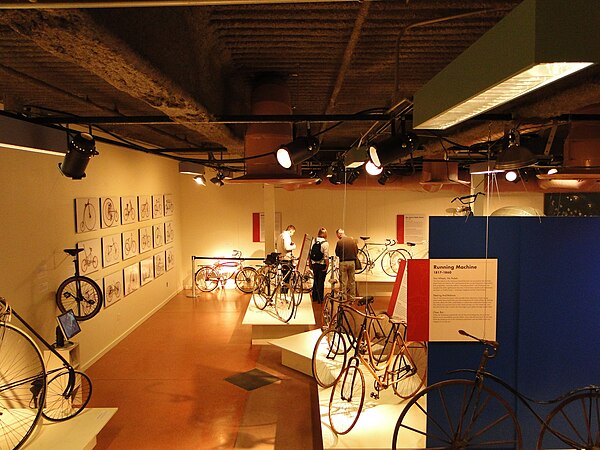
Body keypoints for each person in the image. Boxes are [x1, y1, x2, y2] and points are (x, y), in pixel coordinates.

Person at [335, 228, 358, 298]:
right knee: (352, 281)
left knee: (343, 281)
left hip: (343, 262)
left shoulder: (339, 242)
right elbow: (356, 251)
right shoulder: (352, 240)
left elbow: (337, 253)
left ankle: (343, 297)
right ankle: (352, 297)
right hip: (352, 262)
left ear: (339, 234)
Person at [309, 227, 329, 304]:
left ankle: (314, 297)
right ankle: (320, 299)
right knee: (321, 281)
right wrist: (327, 265)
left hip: (314, 264)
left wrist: (310, 263)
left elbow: (310, 253)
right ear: (325, 235)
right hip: (321, 264)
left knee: (315, 281)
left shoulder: (313, 241)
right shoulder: (325, 243)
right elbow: (326, 256)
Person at [276, 225, 296, 292]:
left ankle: (283, 292)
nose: (292, 235)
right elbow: (287, 248)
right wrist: (293, 246)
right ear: (290, 230)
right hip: (286, 258)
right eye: (293, 233)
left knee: (284, 276)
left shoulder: (280, 235)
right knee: (286, 278)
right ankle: (284, 293)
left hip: (281, 258)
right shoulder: (287, 236)